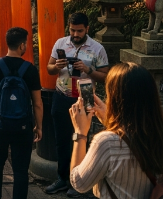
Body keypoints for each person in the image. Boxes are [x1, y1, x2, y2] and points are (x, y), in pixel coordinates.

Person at [68, 62, 163, 198]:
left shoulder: (106, 142)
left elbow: (79, 183)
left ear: (114, 97)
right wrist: (111, 121)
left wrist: (80, 134)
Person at [45, 12, 109, 196]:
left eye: (79, 31)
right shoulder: (60, 43)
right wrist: (56, 66)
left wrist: (88, 69)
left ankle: (82, 182)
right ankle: (62, 178)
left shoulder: (97, 49)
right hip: (62, 94)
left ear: (87, 29)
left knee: (84, 139)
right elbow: (49, 69)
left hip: (85, 97)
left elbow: (105, 76)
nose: (75, 34)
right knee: (62, 139)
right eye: (72, 30)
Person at [0, 27, 42, 199]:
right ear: (22, 45)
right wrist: (39, 126)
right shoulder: (30, 69)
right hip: (23, 125)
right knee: (21, 170)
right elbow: (37, 103)